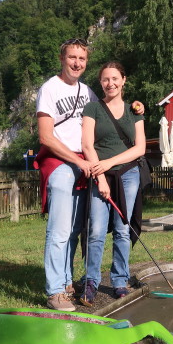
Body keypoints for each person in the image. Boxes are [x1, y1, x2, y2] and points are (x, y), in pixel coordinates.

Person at [35, 40, 143, 311]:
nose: (77, 63)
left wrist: (137, 107)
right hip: (62, 163)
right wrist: (78, 161)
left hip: (86, 166)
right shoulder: (49, 88)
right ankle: (55, 290)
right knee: (59, 230)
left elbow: (110, 107)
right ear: (62, 58)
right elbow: (46, 136)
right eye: (72, 57)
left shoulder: (87, 92)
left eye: (81, 58)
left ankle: (68, 282)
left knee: (75, 230)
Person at [79, 61, 146, 307]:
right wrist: (101, 176)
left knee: (122, 229)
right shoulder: (93, 108)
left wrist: (110, 163)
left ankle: (120, 281)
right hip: (100, 175)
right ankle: (91, 281)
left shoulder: (135, 111)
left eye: (115, 78)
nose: (111, 83)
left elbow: (139, 148)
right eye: (106, 79)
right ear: (101, 83)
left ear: (123, 80)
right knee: (96, 230)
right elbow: (87, 145)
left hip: (128, 174)